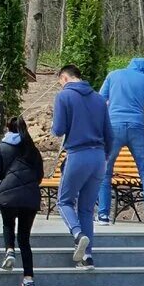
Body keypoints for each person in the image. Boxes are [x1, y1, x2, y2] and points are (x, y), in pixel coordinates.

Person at [52, 63, 113, 268]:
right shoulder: (98, 98)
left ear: (64, 78)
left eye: (60, 81)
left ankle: (78, 235)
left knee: (64, 201)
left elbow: (58, 130)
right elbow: (109, 134)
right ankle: (87, 257)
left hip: (78, 154)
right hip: (98, 158)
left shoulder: (64, 97)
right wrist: (104, 156)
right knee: (86, 209)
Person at [98, 57, 144, 227]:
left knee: (105, 172)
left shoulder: (113, 75)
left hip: (113, 127)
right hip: (137, 128)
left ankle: (103, 215)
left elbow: (99, 101)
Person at [0, 116, 45, 286]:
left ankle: (9, 250)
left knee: (8, 224)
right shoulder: (33, 150)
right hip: (30, 198)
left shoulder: (1, 148)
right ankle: (28, 279)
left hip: (8, 196)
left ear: (7, 128)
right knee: (25, 239)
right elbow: (40, 176)